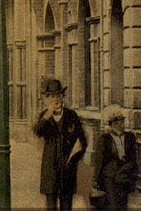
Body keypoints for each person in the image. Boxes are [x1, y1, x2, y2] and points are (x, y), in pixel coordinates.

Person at [32, 79, 87, 210]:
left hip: (67, 170)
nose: (55, 99)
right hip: (50, 169)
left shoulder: (71, 115)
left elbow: (83, 141)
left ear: (63, 96)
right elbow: (37, 131)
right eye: (52, 96)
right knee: (50, 205)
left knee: (66, 205)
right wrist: (47, 116)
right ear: (47, 98)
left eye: (58, 95)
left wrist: (74, 159)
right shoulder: (44, 116)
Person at [95, 104, 137, 210]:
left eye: (122, 122)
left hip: (124, 176)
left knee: (123, 204)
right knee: (112, 205)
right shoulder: (105, 139)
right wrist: (95, 179)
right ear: (111, 124)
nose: (120, 125)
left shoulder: (130, 137)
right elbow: (99, 160)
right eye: (117, 122)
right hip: (110, 177)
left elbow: (133, 158)